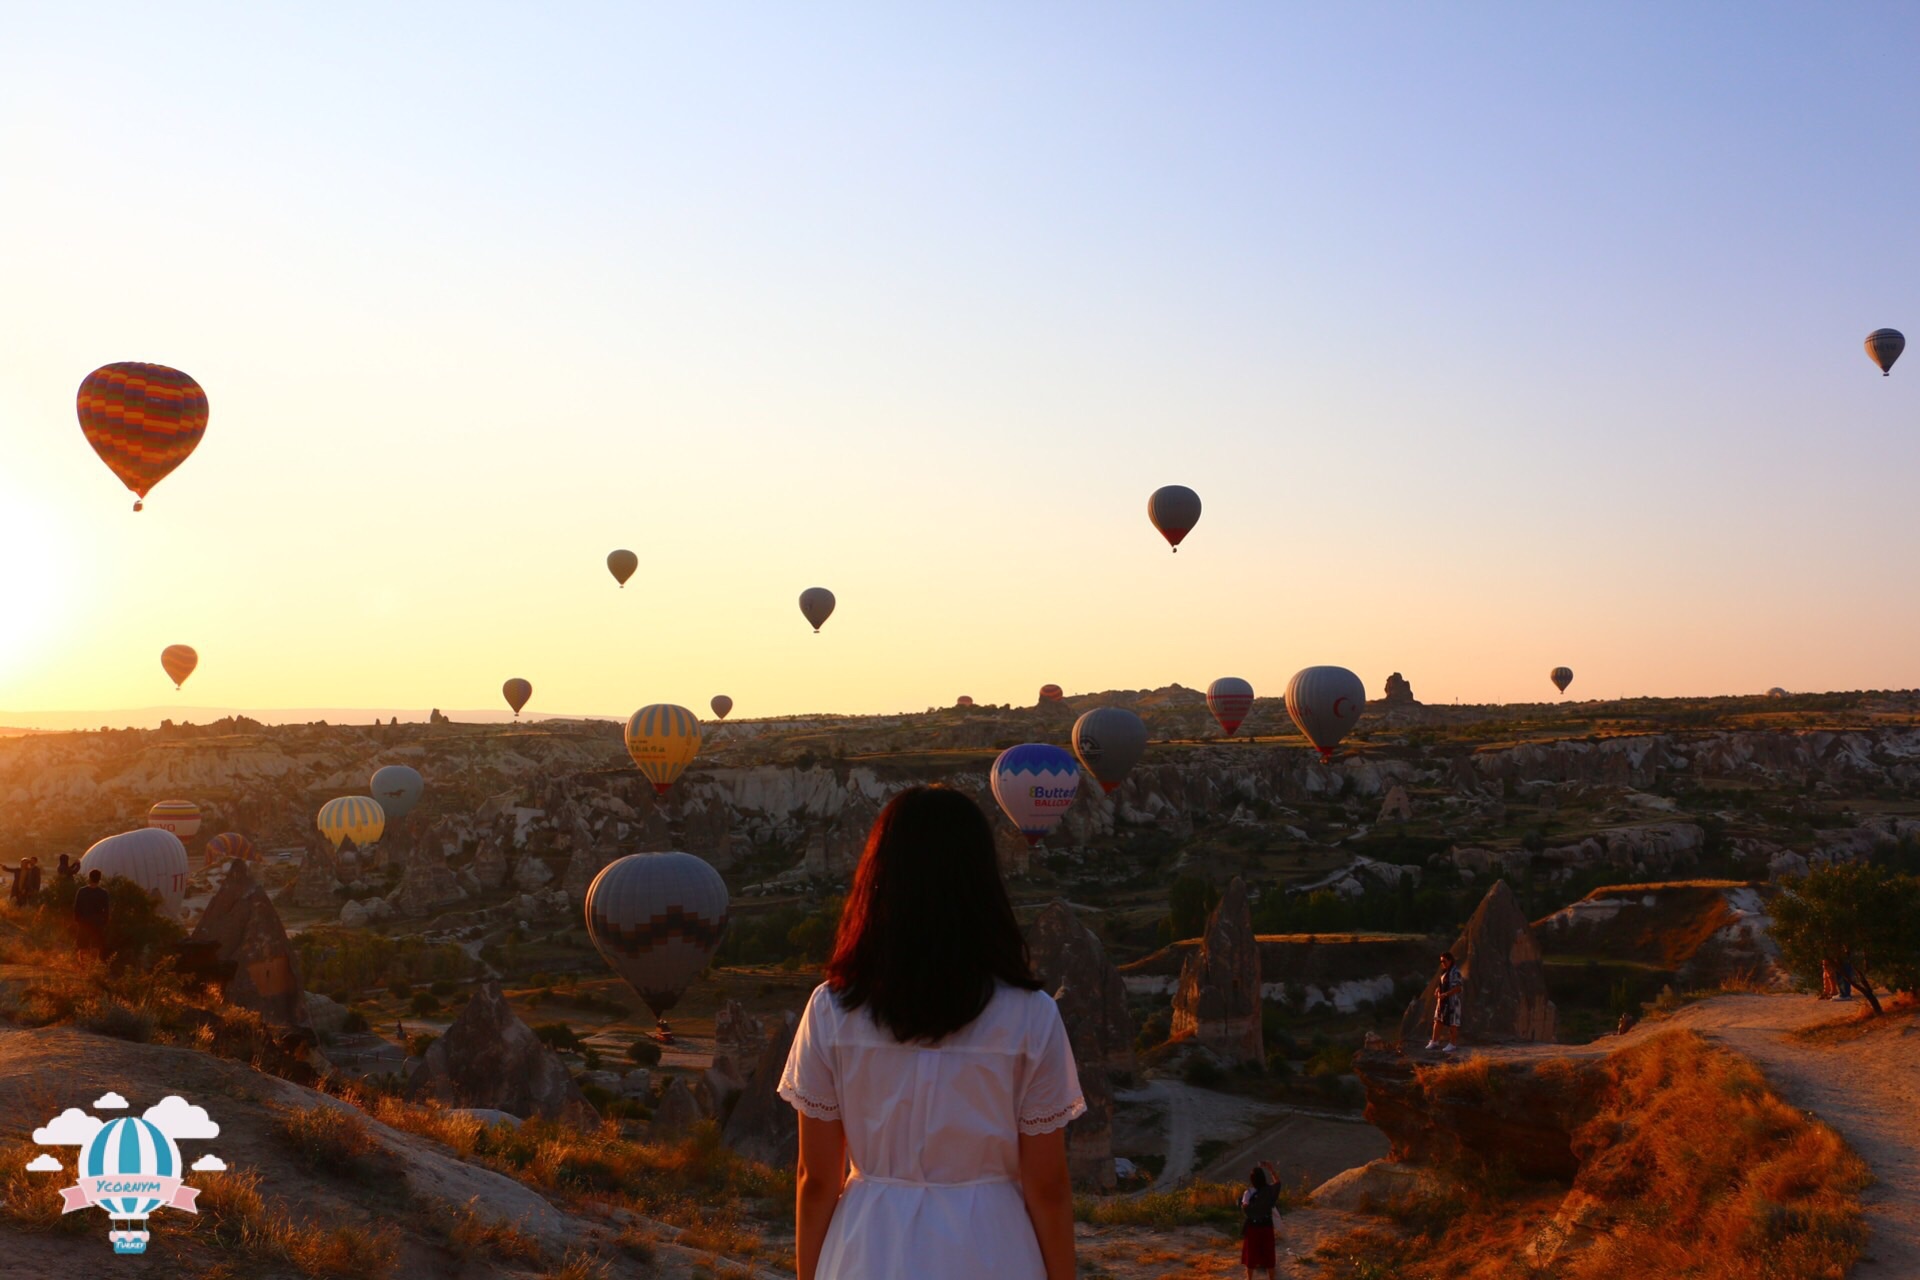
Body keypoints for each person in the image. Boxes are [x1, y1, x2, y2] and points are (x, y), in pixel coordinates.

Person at [778, 786, 1081, 1280]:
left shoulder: (831, 1009)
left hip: (866, 1246)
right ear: (983, 882)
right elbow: (1047, 1186)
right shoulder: (1031, 1015)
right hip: (992, 1247)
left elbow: (817, 1179)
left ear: (879, 879)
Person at [1240, 1160, 1281, 1279]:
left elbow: (1246, 1209)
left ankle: (1249, 1279)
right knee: (1269, 1254)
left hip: (1253, 1228)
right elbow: (1278, 1183)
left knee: (1251, 1255)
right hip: (1267, 1226)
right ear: (1263, 1178)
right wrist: (1271, 1170)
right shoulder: (1269, 1191)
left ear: (1252, 1179)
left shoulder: (1248, 1193)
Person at [1425, 951, 1463, 1052]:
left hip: (1452, 1002)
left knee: (1452, 1023)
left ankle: (1453, 1044)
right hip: (1442, 1001)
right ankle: (1434, 1041)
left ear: (1450, 960)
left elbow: (1458, 988)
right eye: (1441, 961)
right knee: (1438, 1020)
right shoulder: (1445, 972)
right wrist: (1438, 989)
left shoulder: (1455, 972)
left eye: (1444, 961)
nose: (1442, 963)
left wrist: (1446, 994)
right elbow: (1442, 984)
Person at [73, 869, 111, 957]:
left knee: (82, 946)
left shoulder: (82, 891)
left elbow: (76, 907)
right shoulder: (103, 893)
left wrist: (77, 920)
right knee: (95, 945)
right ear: (99, 879)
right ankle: (92, 966)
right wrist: (104, 922)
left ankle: (84, 966)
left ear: (89, 878)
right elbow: (106, 910)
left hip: (83, 922)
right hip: (97, 923)